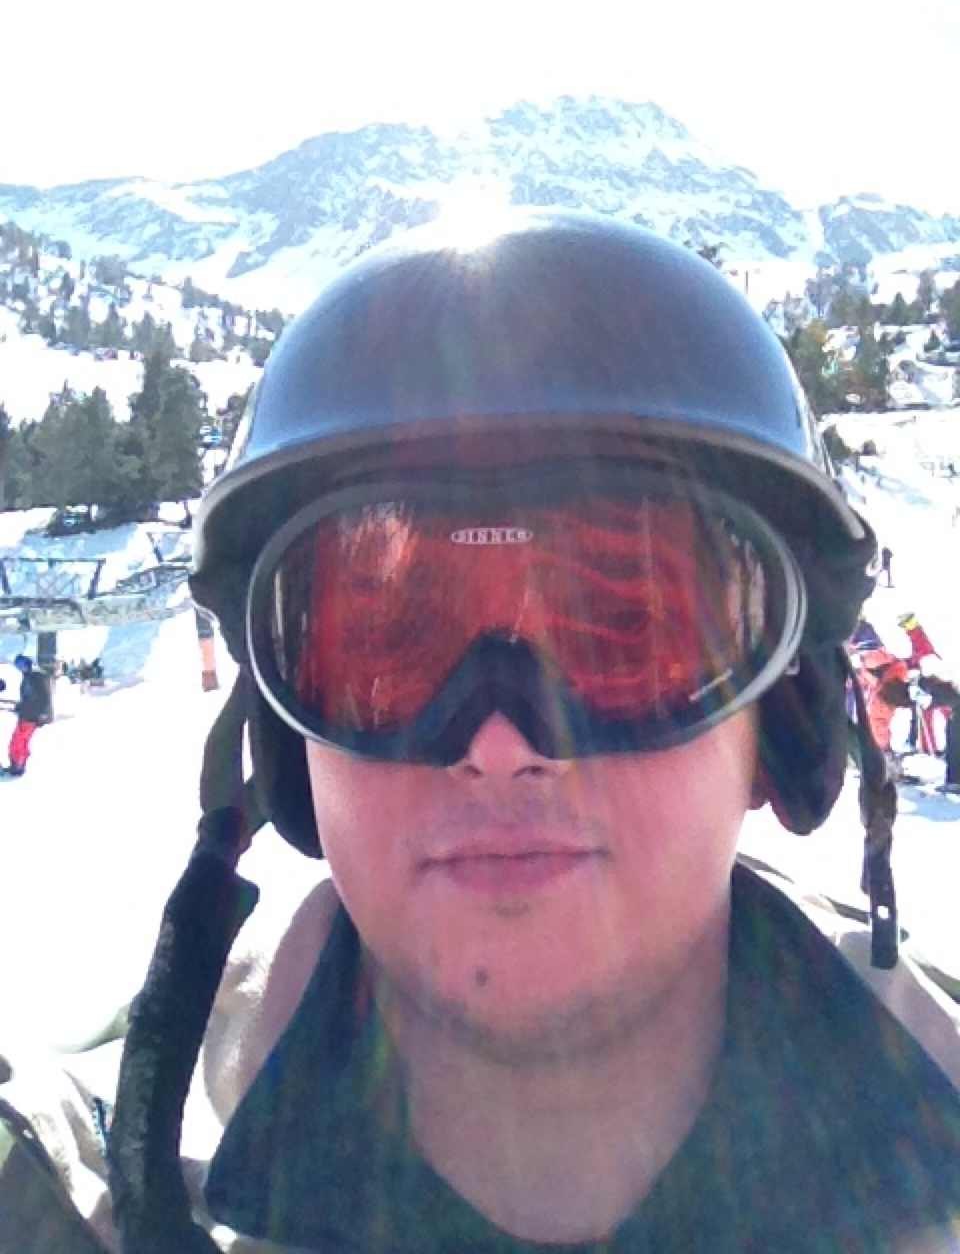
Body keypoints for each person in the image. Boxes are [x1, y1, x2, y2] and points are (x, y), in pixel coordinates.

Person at [3, 210, 960, 1252]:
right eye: (391, 643)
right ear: (285, 745)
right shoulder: (75, 1194)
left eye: (622, 634)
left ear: (781, 719)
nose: (500, 745)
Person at [1, 653, 52, 777]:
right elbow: (28, 698)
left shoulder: (36, 677)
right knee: (19, 741)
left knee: (18, 742)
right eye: (18, 666)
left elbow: (44, 698)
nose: (21, 668)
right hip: (27, 714)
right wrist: (20, 706)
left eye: (22, 665)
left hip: (31, 716)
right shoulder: (29, 677)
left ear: (28, 664)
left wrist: (42, 715)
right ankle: (17, 765)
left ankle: (18, 766)